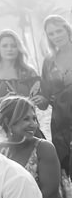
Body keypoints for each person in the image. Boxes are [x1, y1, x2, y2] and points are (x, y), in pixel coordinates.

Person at [0, 96, 60, 198]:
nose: (33, 124)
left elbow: (49, 194)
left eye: (34, 118)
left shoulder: (43, 149)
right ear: (8, 122)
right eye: (26, 119)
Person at [41, 14, 72, 179]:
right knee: (67, 169)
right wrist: (39, 99)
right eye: (51, 34)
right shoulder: (48, 61)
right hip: (60, 123)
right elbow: (44, 98)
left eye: (58, 31)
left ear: (67, 29)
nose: (56, 36)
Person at [0, 30, 44, 104]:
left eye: (14, 46)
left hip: (26, 115)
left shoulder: (29, 72)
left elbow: (43, 105)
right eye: (5, 46)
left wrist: (41, 99)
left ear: (19, 48)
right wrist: (2, 101)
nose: (9, 49)